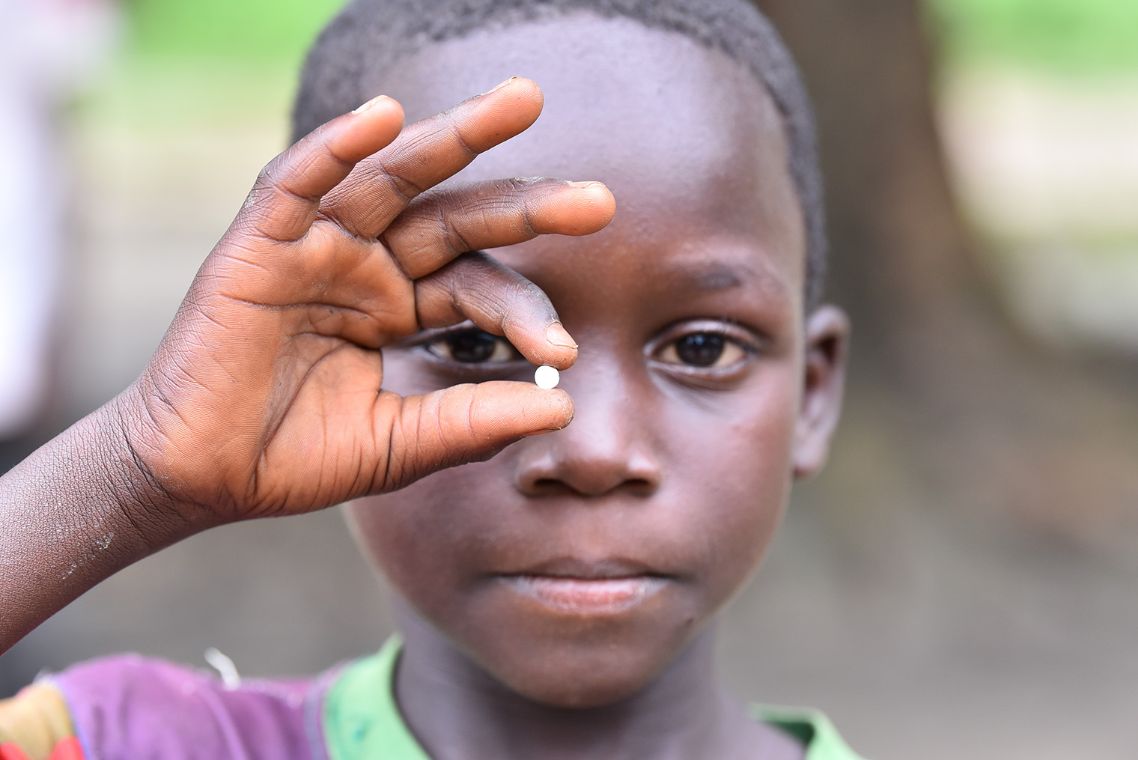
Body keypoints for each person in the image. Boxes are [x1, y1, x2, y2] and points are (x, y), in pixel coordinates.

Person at [0, 0, 858, 756]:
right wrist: (134, 476)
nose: (594, 449)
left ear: (813, 395)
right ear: (302, 370)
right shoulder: (130, 743)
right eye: (477, 346)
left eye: (702, 350)